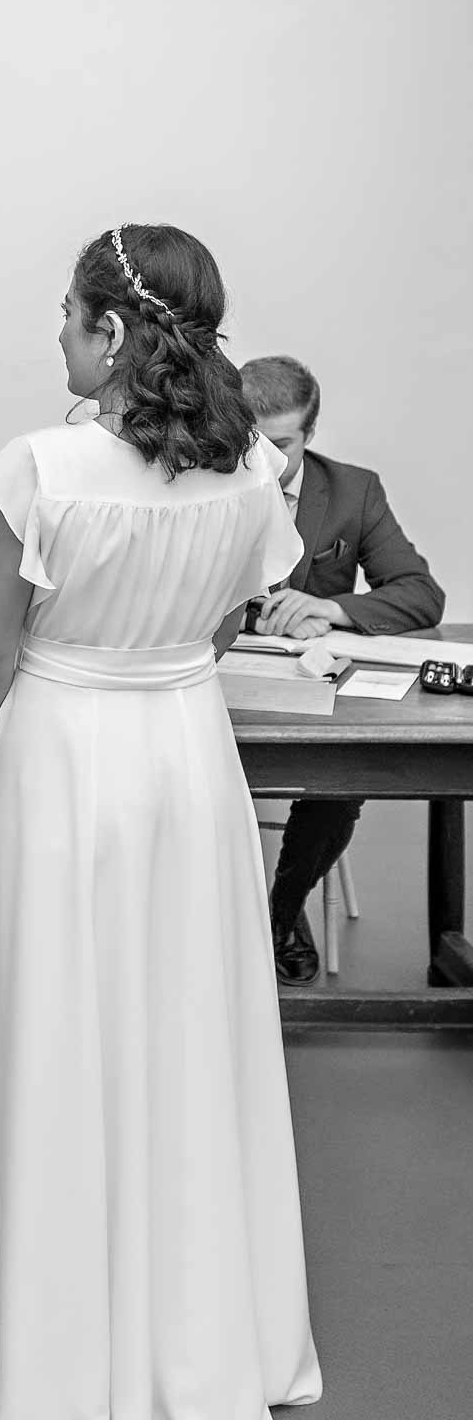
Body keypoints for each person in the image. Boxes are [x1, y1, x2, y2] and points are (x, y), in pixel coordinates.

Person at [0, 225, 323, 1420]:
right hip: (189, 759)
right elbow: (235, 609)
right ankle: (201, 1327)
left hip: (66, 753)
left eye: (65, 316)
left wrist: (48, 736)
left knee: (56, 1023)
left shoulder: (43, 467)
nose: (54, 336)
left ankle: (42, 1322)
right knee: (187, 1028)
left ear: (108, 332)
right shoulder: (252, 472)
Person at [238, 355, 444, 984]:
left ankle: (282, 909)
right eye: (252, 443)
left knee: (343, 771)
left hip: (311, 686)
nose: (266, 464)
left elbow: (420, 594)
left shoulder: (353, 490)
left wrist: (330, 607)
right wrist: (253, 614)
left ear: (311, 432)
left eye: (281, 446)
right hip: (213, 685)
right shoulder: (199, 478)